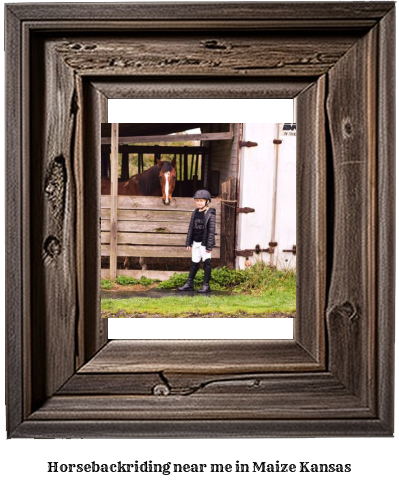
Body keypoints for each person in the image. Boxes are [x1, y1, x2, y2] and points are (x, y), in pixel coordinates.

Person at [178, 189, 216, 293]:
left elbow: (212, 231)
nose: (199, 203)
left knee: (206, 263)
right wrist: (188, 242)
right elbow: (191, 228)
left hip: (204, 244)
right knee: (194, 263)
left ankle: (206, 285)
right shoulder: (195, 212)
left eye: (201, 201)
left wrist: (209, 246)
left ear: (207, 201)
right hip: (195, 242)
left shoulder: (210, 213)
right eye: (197, 201)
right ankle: (189, 284)